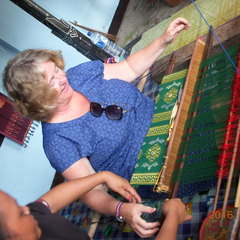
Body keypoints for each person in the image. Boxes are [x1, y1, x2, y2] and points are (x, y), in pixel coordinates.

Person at [3, 17, 190, 238]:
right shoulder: (58, 142)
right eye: (50, 83)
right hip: (157, 168)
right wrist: (121, 209)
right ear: (36, 100)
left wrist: (163, 40)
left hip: (171, 118)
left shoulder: (79, 76)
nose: (61, 80)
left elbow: (129, 67)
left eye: (56, 70)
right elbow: (92, 192)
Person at [0, 171, 192, 240]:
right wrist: (173, 214)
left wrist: (103, 176)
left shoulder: (33, 216)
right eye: (19, 213)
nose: (26, 209)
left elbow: (48, 201)